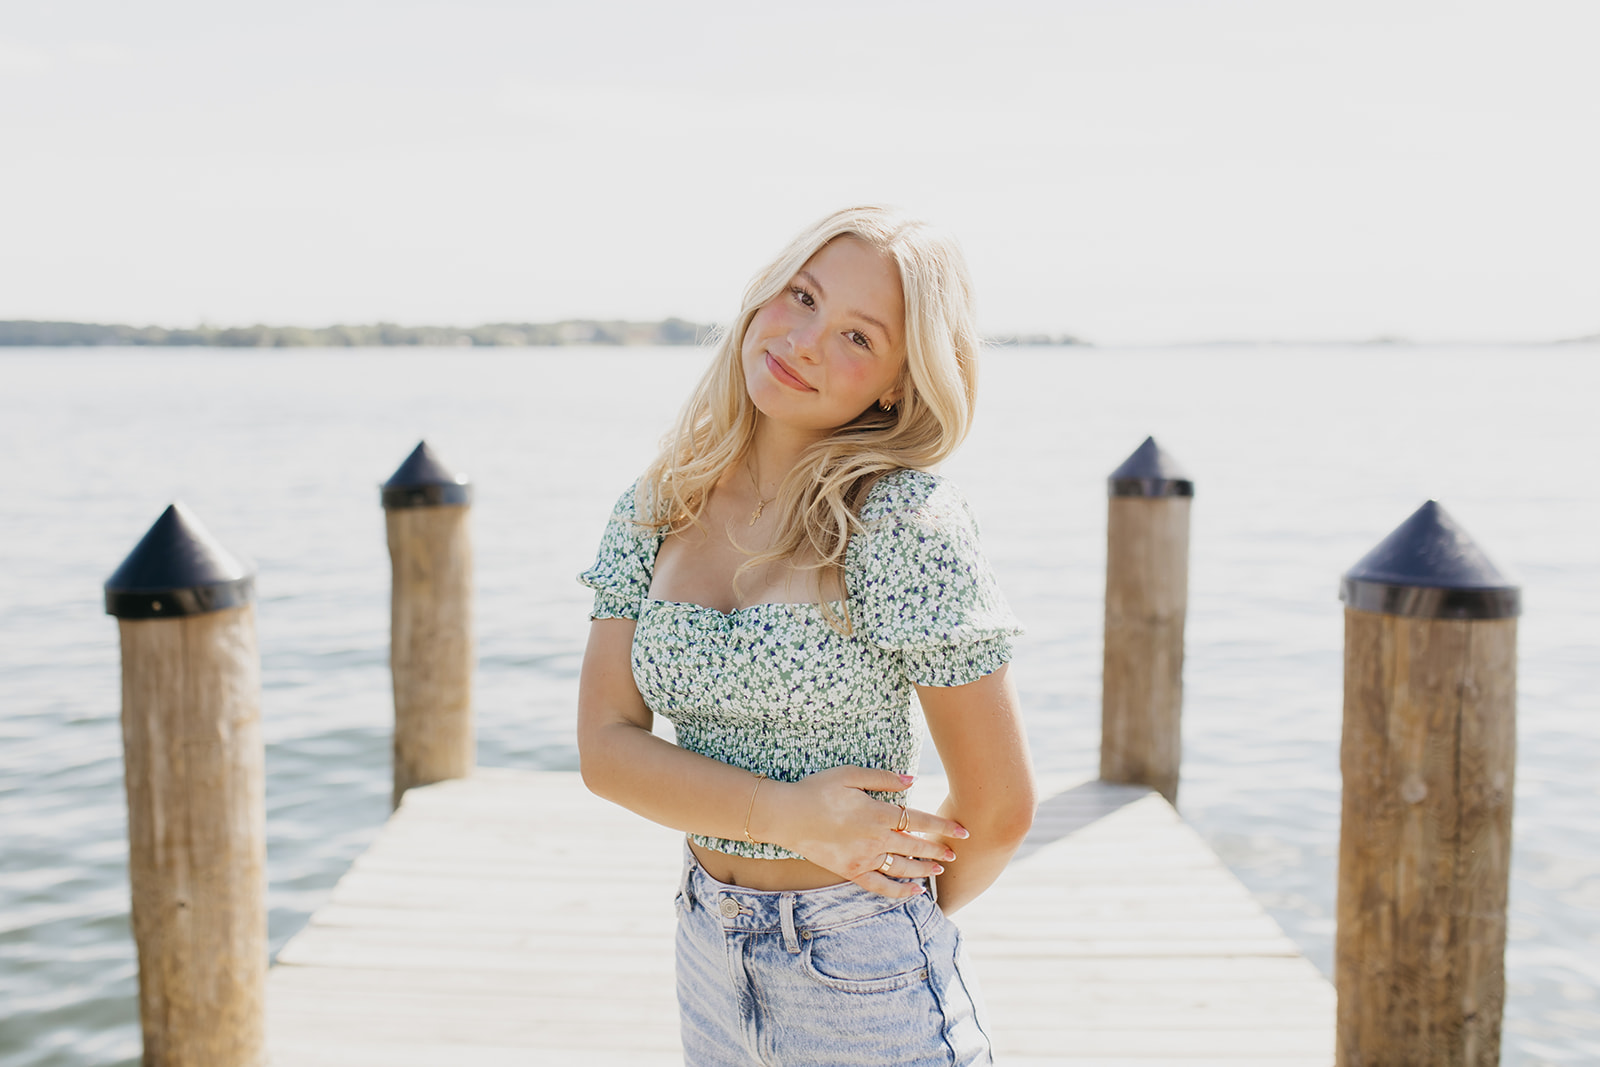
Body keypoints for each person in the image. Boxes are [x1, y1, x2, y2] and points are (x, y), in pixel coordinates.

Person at [576, 205, 1035, 1066]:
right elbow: (605, 748)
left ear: (899, 381)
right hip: (706, 946)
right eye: (803, 295)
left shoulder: (899, 523)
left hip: (865, 969)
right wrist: (790, 816)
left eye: (860, 337)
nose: (808, 340)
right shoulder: (654, 506)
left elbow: (1000, 807)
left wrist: (879, 915)